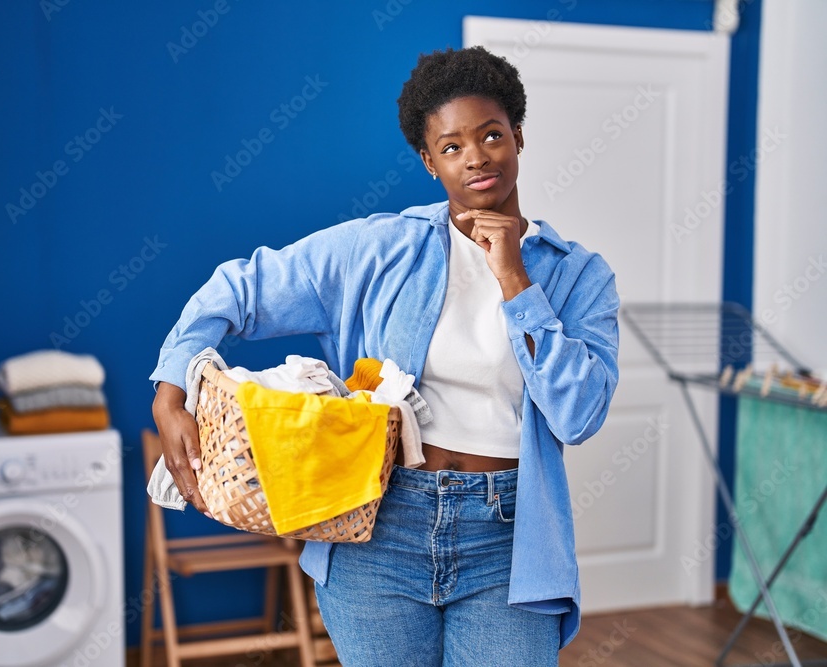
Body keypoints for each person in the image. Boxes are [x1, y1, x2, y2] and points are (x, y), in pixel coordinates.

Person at [150, 46, 619, 666]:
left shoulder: (578, 275)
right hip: (379, 528)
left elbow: (579, 413)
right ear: (429, 163)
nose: (475, 156)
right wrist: (171, 385)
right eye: (451, 147)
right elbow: (240, 288)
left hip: (507, 538)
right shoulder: (378, 249)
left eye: (491, 135)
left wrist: (515, 282)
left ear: (518, 138)